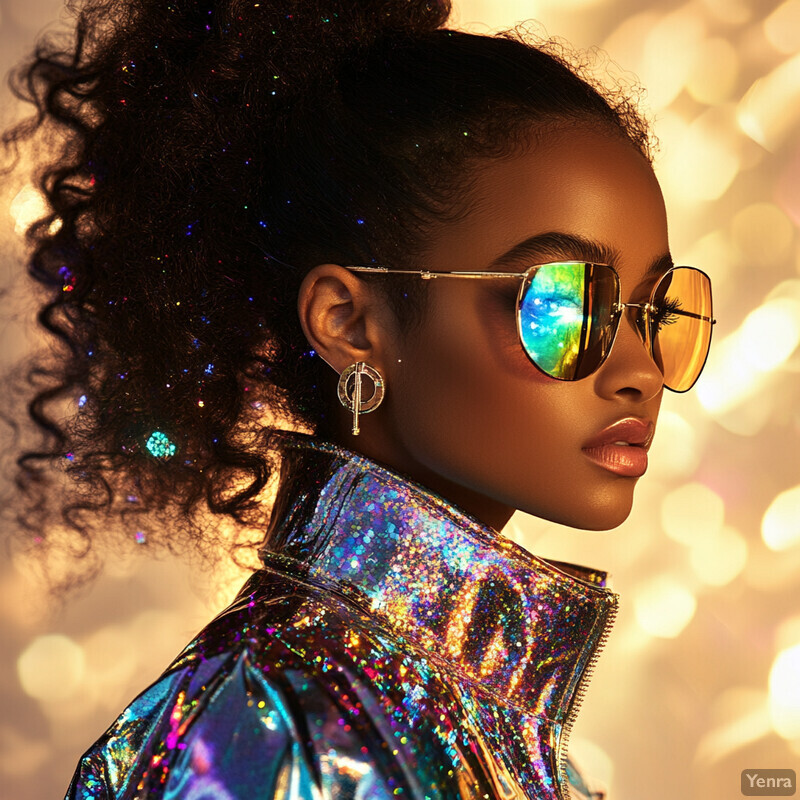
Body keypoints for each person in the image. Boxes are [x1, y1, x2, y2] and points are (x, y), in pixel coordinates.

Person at [4, 0, 715, 797]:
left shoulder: (486, 721)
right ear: (349, 323)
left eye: (658, 310)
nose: (639, 369)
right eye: (562, 305)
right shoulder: (270, 728)